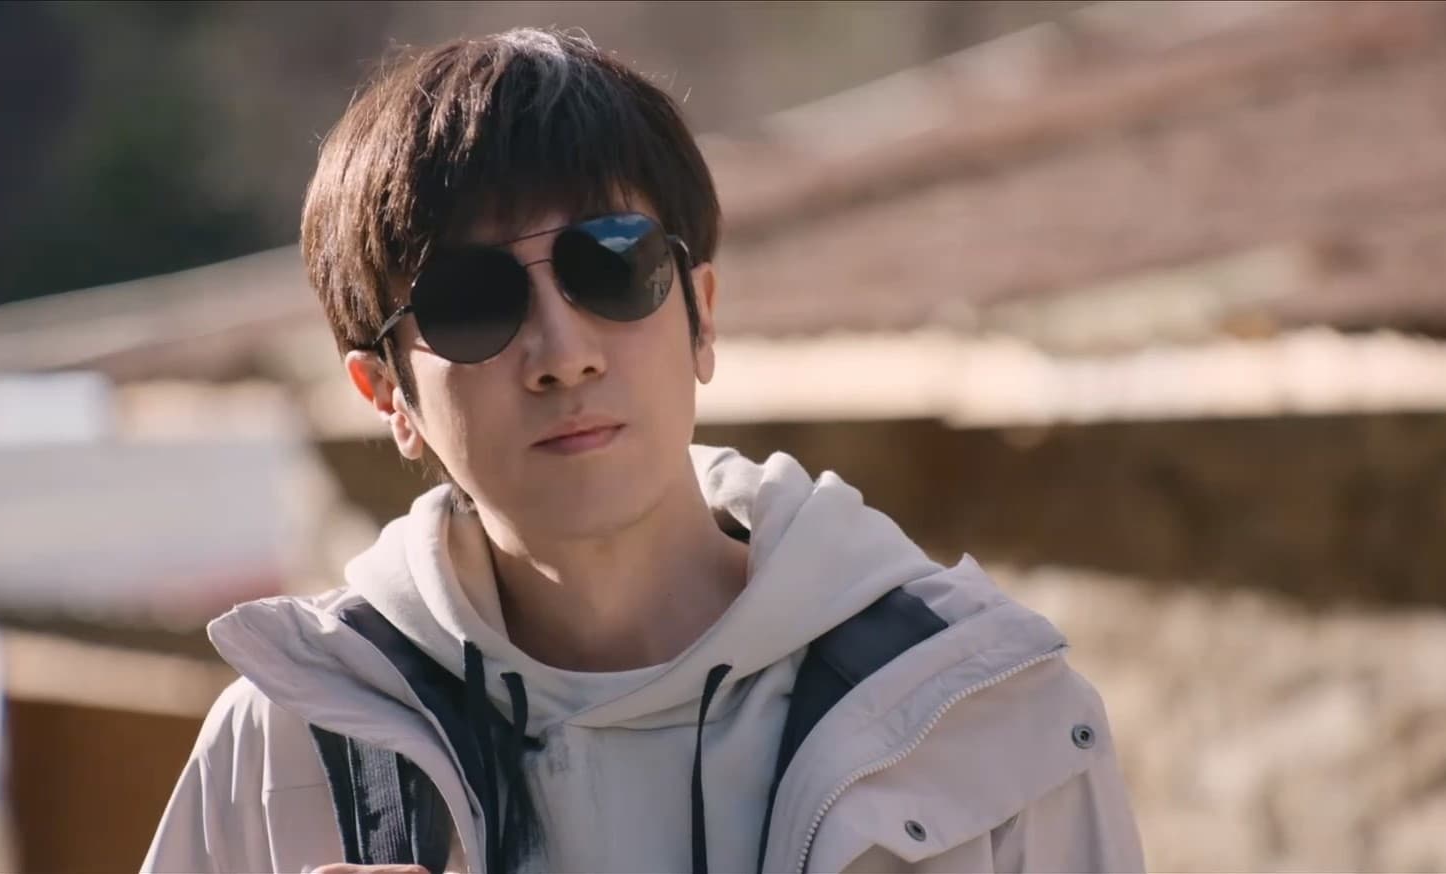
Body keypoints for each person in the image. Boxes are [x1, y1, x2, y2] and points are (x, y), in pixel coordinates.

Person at [143, 26, 1145, 874]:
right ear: (386, 393)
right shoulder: (285, 750)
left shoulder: (980, 713)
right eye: (473, 303)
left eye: (612, 266)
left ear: (702, 317)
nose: (562, 353)